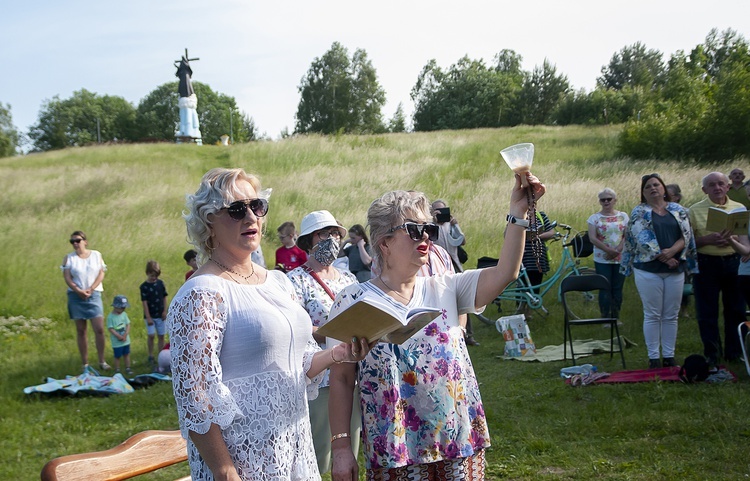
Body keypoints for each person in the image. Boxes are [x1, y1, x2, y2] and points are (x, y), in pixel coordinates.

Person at [328, 172, 545, 480]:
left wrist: (518, 211)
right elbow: (340, 380)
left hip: (457, 445)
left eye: (429, 228)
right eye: (415, 230)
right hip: (395, 453)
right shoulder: (354, 299)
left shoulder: (446, 287)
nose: (426, 237)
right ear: (384, 242)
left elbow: (506, 272)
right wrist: (340, 449)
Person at [166, 167, 371, 481]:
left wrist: (337, 354)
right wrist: (224, 471)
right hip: (244, 462)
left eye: (256, 206)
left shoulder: (278, 282)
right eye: (236, 210)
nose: (250, 217)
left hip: (294, 449)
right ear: (209, 222)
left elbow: (298, 364)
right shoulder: (201, 293)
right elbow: (196, 397)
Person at [287, 210, 362, 475]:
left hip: (350, 374)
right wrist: (335, 333)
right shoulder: (294, 281)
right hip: (320, 378)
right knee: (320, 451)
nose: (330, 239)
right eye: (323, 234)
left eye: (334, 233)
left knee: (349, 451)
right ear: (309, 240)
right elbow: (297, 328)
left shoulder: (348, 279)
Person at [621, 173, 698, 369]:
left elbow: (686, 234)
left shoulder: (678, 210)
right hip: (648, 269)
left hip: (675, 269)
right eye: (648, 187)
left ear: (664, 188)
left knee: (671, 314)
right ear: (643, 192)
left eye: (656, 185)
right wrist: (664, 257)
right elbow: (641, 238)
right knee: (653, 314)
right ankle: (654, 357)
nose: (653, 188)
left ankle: (669, 356)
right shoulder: (639, 212)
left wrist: (673, 252)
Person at [688, 171, 750, 366]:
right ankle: (712, 353)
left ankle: (735, 352)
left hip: (734, 262)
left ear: (728, 186)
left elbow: (744, 240)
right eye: (712, 185)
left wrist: (732, 242)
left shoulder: (739, 208)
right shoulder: (694, 210)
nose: (717, 188)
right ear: (704, 189)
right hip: (707, 262)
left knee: (736, 309)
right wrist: (707, 239)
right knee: (707, 311)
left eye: (721, 184)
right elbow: (687, 243)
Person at [431, 199, 479, 345]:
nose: (441, 214)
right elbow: (430, 241)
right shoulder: (431, 228)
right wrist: (432, 222)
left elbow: (461, 241)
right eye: (437, 211)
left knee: (463, 300)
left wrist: (455, 224)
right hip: (438, 267)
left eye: (444, 210)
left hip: (455, 265)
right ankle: (444, 333)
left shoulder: (449, 226)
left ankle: (468, 335)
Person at [61, 230, 110, 371]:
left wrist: (91, 289)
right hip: (76, 297)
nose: (75, 244)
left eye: (78, 240)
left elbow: (101, 273)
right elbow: (68, 277)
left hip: (93, 295)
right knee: (81, 330)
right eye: (72, 242)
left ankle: (102, 361)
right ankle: (85, 363)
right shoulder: (69, 258)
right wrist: (79, 291)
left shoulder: (96, 255)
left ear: (85, 241)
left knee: (99, 328)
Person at [587, 188, 629, 318]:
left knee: (617, 287)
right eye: (603, 199)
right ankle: (605, 316)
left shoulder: (623, 216)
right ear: (599, 201)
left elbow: (627, 235)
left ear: (615, 200)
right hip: (602, 258)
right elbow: (592, 238)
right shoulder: (594, 218)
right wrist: (608, 250)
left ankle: (615, 316)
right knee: (605, 287)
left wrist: (618, 249)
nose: (606, 202)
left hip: (620, 257)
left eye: (609, 199)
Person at [519, 210, 557, 319]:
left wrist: (538, 236)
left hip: (538, 256)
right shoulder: (518, 215)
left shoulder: (541, 215)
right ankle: (520, 312)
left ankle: (529, 312)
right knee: (522, 285)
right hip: (523, 255)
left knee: (536, 284)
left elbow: (551, 232)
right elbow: (507, 234)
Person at [666, 183, 692, 318]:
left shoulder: (685, 212)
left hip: (683, 252)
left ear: (676, 197)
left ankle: (684, 309)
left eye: (668, 195)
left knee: (684, 282)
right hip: (664, 252)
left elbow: (689, 234)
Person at [140, 260, 169, 367]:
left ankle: (160, 354)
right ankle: (150, 354)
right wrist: (148, 317)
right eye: (152, 275)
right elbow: (144, 302)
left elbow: (164, 297)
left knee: (161, 335)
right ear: (147, 273)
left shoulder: (160, 284)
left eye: (156, 276)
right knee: (151, 335)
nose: (154, 278)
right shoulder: (144, 287)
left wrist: (164, 311)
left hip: (160, 315)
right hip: (150, 315)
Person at [107, 295, 133, 375]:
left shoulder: (124, 314)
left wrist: (126, 334)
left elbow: (128, 324)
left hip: (126, 340)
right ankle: (117, 369)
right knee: (117, 356)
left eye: (124, 308)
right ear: (115, 306)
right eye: (121, 307)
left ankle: (128, 368)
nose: (123, 309)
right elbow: (111, 329)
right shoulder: (110, 317)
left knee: (126, 354)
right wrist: (118, 336)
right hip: (117, 342)